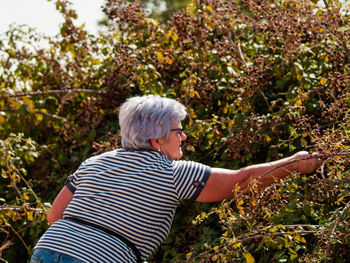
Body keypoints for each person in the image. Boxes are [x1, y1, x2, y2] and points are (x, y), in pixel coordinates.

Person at [31, 95, 322, 263]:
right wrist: (295, 164)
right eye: (177, 131)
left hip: (47, 250)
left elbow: (55, 215)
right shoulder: (170, 173)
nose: (183, 136)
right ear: (156, 140)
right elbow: (242, 181)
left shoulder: (95, 162)